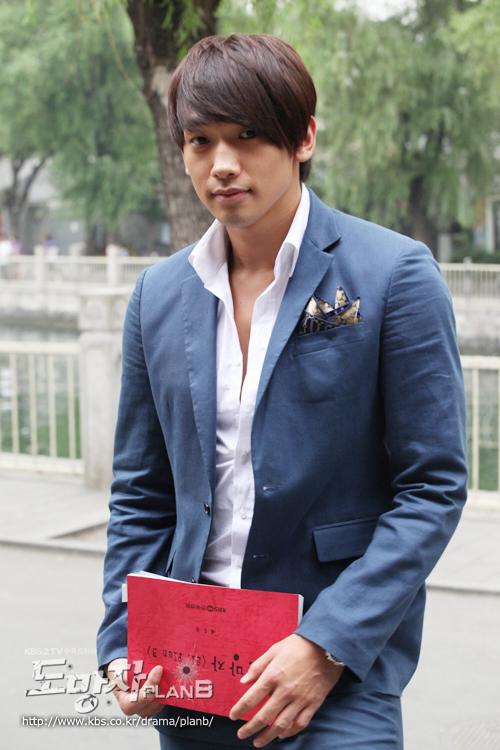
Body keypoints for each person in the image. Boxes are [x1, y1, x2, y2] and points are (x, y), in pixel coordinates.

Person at [97, 33, 468, 749]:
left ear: (303, 138)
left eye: (248, 136)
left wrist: (325, 644)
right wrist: (123, 641)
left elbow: (432, 487)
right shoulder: (159, 295)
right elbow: (141, 492)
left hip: (333, 675)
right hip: (189, 669)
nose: (222, 163)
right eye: (200, 141)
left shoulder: (394, 275)